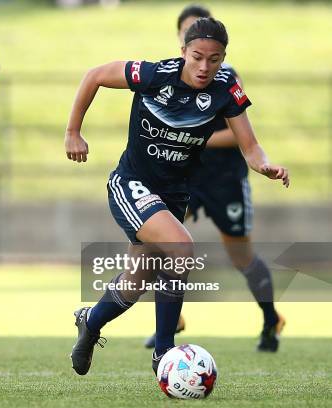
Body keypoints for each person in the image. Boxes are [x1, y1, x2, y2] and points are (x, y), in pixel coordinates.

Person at [65, 17, 289, 376]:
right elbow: (94, 75)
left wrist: (266, 166)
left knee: (137, 279)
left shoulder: (226, 87)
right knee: (182, 247)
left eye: (214, 59)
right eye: (197, 56)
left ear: (223, 58)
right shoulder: (155, 75)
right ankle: (165, 355)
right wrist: (73, 131)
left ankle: (90, 321)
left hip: (174, 194)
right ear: (183, 51)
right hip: (131, 183)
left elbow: (250, 146)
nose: (204, 67)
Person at [143, 4, 285, 353]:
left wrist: (192, 135)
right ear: (182, 42)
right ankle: (170, 322)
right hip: (185, 179)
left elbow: (241, 136)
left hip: (225, 180)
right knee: (159, 246)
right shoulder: (171, 78)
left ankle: (271, 319)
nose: (204, 59)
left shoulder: (224, 77)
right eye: (190, 36)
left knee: (241, 256)